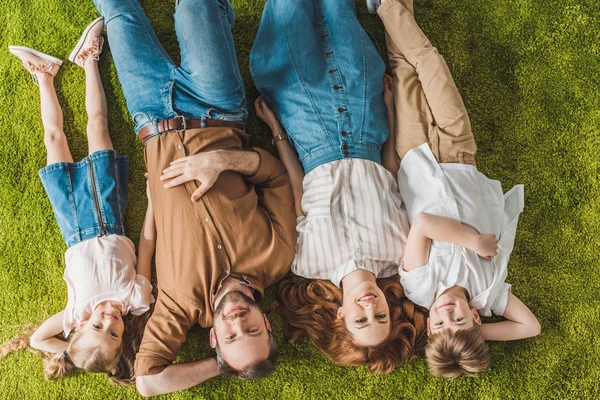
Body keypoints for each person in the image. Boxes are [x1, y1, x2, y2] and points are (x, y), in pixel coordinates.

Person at [90, 0, 297, 396]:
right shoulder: (278, 256)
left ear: (216, 340)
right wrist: (223, 160)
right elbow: (276, 178)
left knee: (118, 11)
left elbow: (149, 382)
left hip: (149, 116)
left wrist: (225, 367)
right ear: (266, 323)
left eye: (232, 336)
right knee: (195, 8)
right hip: (216, 108)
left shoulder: (180, 306)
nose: (237, 321)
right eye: (251, 329)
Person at [250, 0, 428, 373]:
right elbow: (392, 170)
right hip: (365, 119)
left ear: (340, 315)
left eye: (360, 320)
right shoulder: (402, 251)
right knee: (339, 16)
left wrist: (276, 130)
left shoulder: (307, 262)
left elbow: (298, 190)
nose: (369, 307)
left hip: (309, 127)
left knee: (282, 39)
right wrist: (390, 107)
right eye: (381, 316)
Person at [369, 0, 542, 378]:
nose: (447, 316)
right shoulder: (489, 291)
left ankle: (393, 6)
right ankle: (387, 6)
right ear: (476, 319)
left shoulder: (420, 287)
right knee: (431, 65)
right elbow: (531, 327)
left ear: (428, 326)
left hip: (414, 154)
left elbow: (425, 225)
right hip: (460, 152)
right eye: (458, 323)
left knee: (403, 73)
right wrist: (478, 335)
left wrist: (474, 242)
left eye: (439, 326)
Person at [3, 17, 154, 385]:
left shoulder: (74, 314)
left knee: (53, 139)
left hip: (72, 221)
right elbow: (147, 247)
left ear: (81, 327)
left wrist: (69, 349)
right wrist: (153, 202)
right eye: (115, 333)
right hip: (108, 212)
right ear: (123, 337)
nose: (109, 320)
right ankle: (88, 58)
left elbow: (39, 339)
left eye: (98, 326)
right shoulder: (137, 298)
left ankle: (45, 75)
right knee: (97, 126)